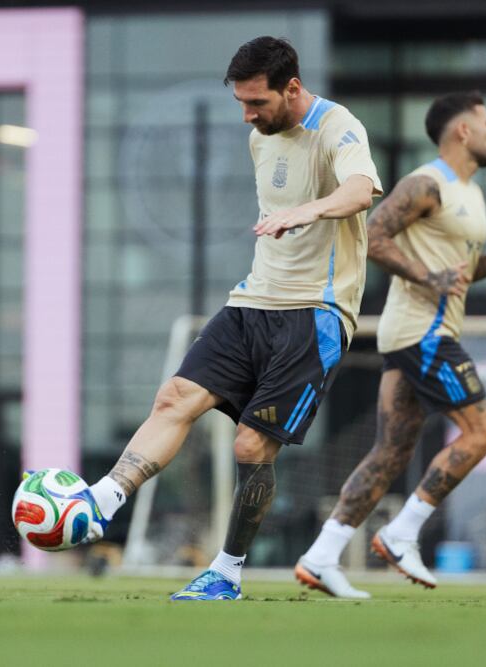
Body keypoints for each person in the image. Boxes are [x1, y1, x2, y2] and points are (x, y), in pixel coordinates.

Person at [82, 36, 382, 600]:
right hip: (251, 303)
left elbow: (361, 190)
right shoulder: (258, 138)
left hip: (314, 313)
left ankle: (226, 571)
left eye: (257, 103)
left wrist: (309, 210)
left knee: (250, 446)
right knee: (174, 397)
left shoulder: (339, 127)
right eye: (241, 103)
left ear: (291, 87)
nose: (247, 115)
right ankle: (100, 501)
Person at [295, 91, 486, 598]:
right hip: (422, 333)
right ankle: (402, 533)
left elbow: (460, 274)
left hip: (418, 335)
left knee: (390, 452)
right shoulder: (427, 183)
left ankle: (320, 557)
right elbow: (376, 235)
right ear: (462, 131)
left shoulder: (471, 192)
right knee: (482, 433)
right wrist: (427, 277)